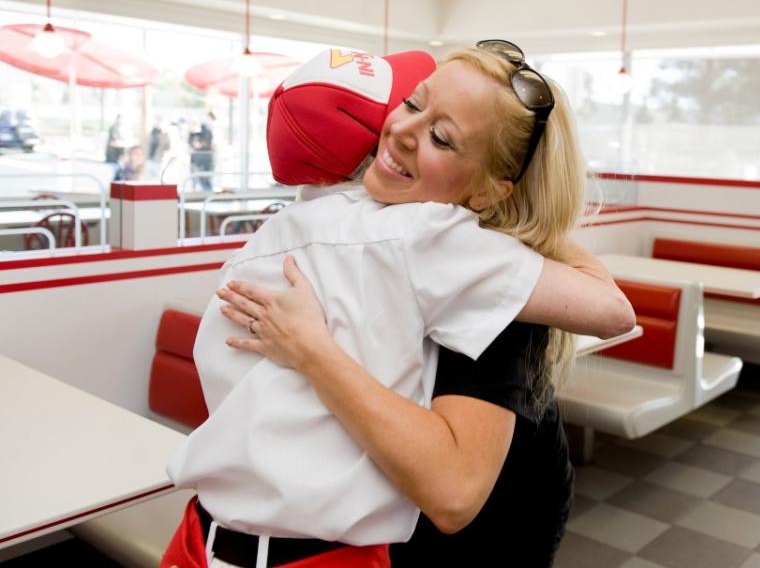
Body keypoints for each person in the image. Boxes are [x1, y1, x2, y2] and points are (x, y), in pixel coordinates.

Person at [163, 43, 632, 568]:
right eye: (411, 103)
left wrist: (314, 352)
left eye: (442, 138)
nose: (402, 130)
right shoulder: (338, 227)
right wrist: (515, 217)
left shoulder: (429, 248)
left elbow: (455, 495)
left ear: (486, 192)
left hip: (479, 538)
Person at [188, 112, 215, 191]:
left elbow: (207, 142)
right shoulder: (194, 134)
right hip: (196, 159)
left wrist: (200, 145)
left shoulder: (207, 131)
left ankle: (207, 194)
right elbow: (191, 142)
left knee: (205, 179)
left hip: (205, 159)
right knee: (196, 179)